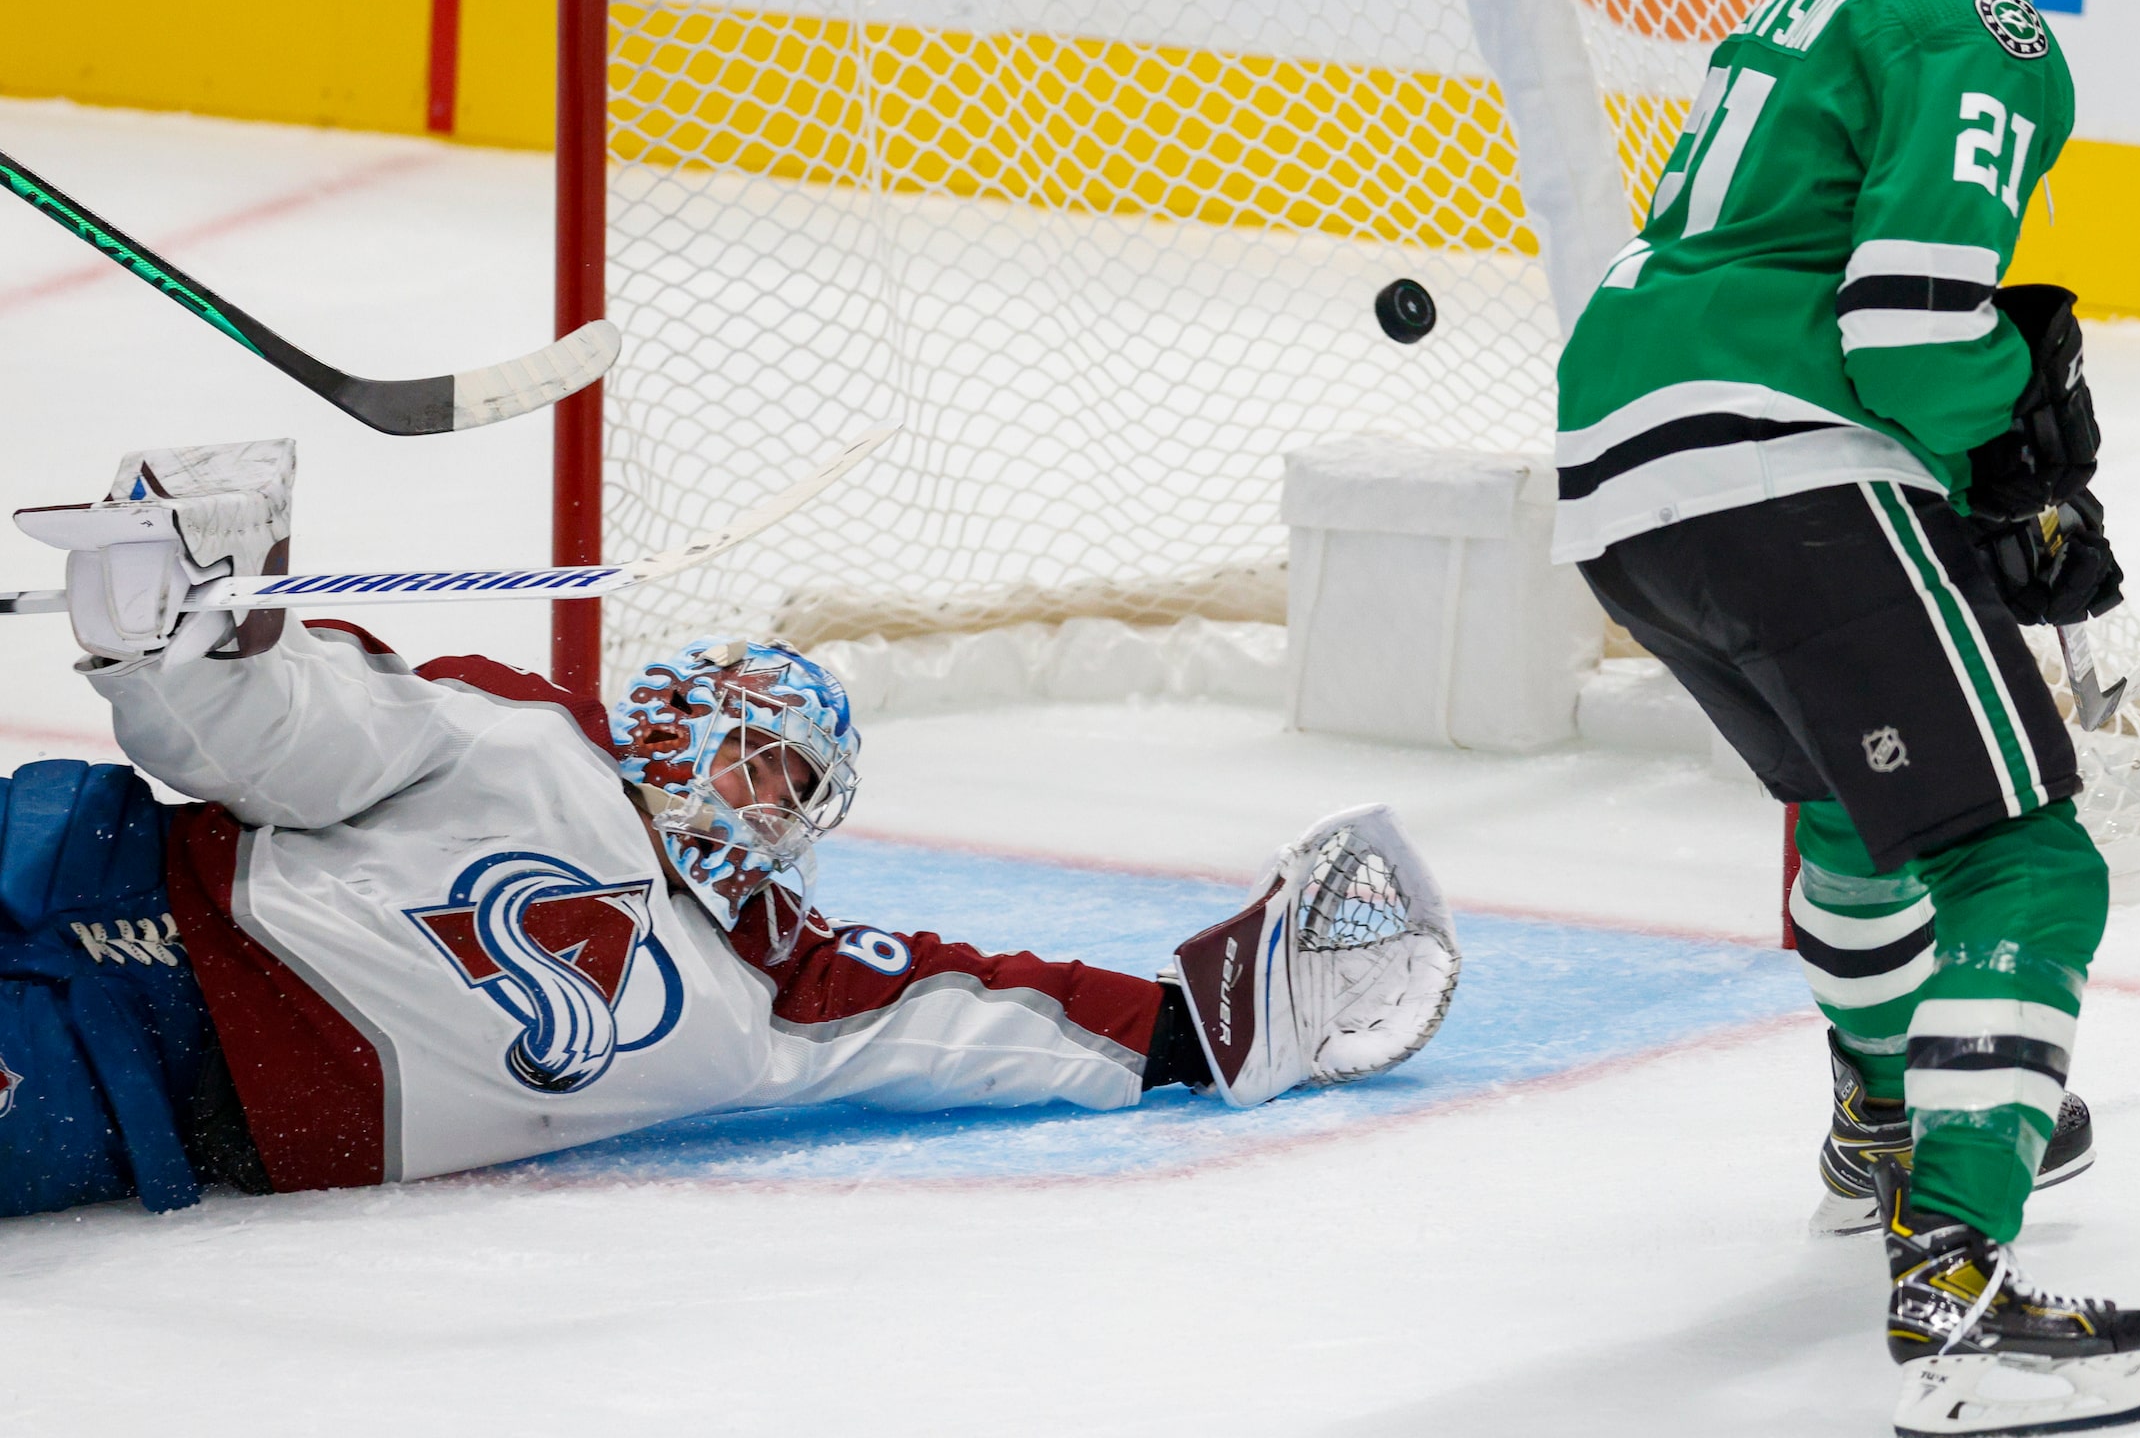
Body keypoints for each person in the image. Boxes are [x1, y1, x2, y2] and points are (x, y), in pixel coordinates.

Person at [0, 439, 1457, 1218]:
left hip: (139, 1086)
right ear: (671, 718)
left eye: (794, 779)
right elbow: (296, 731)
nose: (765, 795)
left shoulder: (778, 990)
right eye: (753, 748)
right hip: (85, 881)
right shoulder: (528, 736)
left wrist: (1204, 1025)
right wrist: (191, 631)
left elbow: (975, 1006)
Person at [1551, 0, 2140, 1438]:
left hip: (1616, 466)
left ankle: (1880, 1120)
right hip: (1778, 457)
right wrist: (2017, 454)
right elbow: (1905, 330)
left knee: (1849, 802)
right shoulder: (1996, 35)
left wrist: (1981, 465)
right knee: (2024, 854)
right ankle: (1955, 1284)